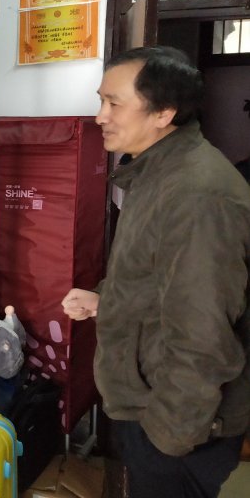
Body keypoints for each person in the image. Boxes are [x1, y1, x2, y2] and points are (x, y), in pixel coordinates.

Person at [62, 46, 250, 497]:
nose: (100, 116)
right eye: (101, 100)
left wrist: (168, 436)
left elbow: (204, 336)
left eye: (114, 103)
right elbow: (162, 277)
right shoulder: (156, 173)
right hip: (150, 408)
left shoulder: (197, 194)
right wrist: (106, 298)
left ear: (164, 113)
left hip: (178, 426)